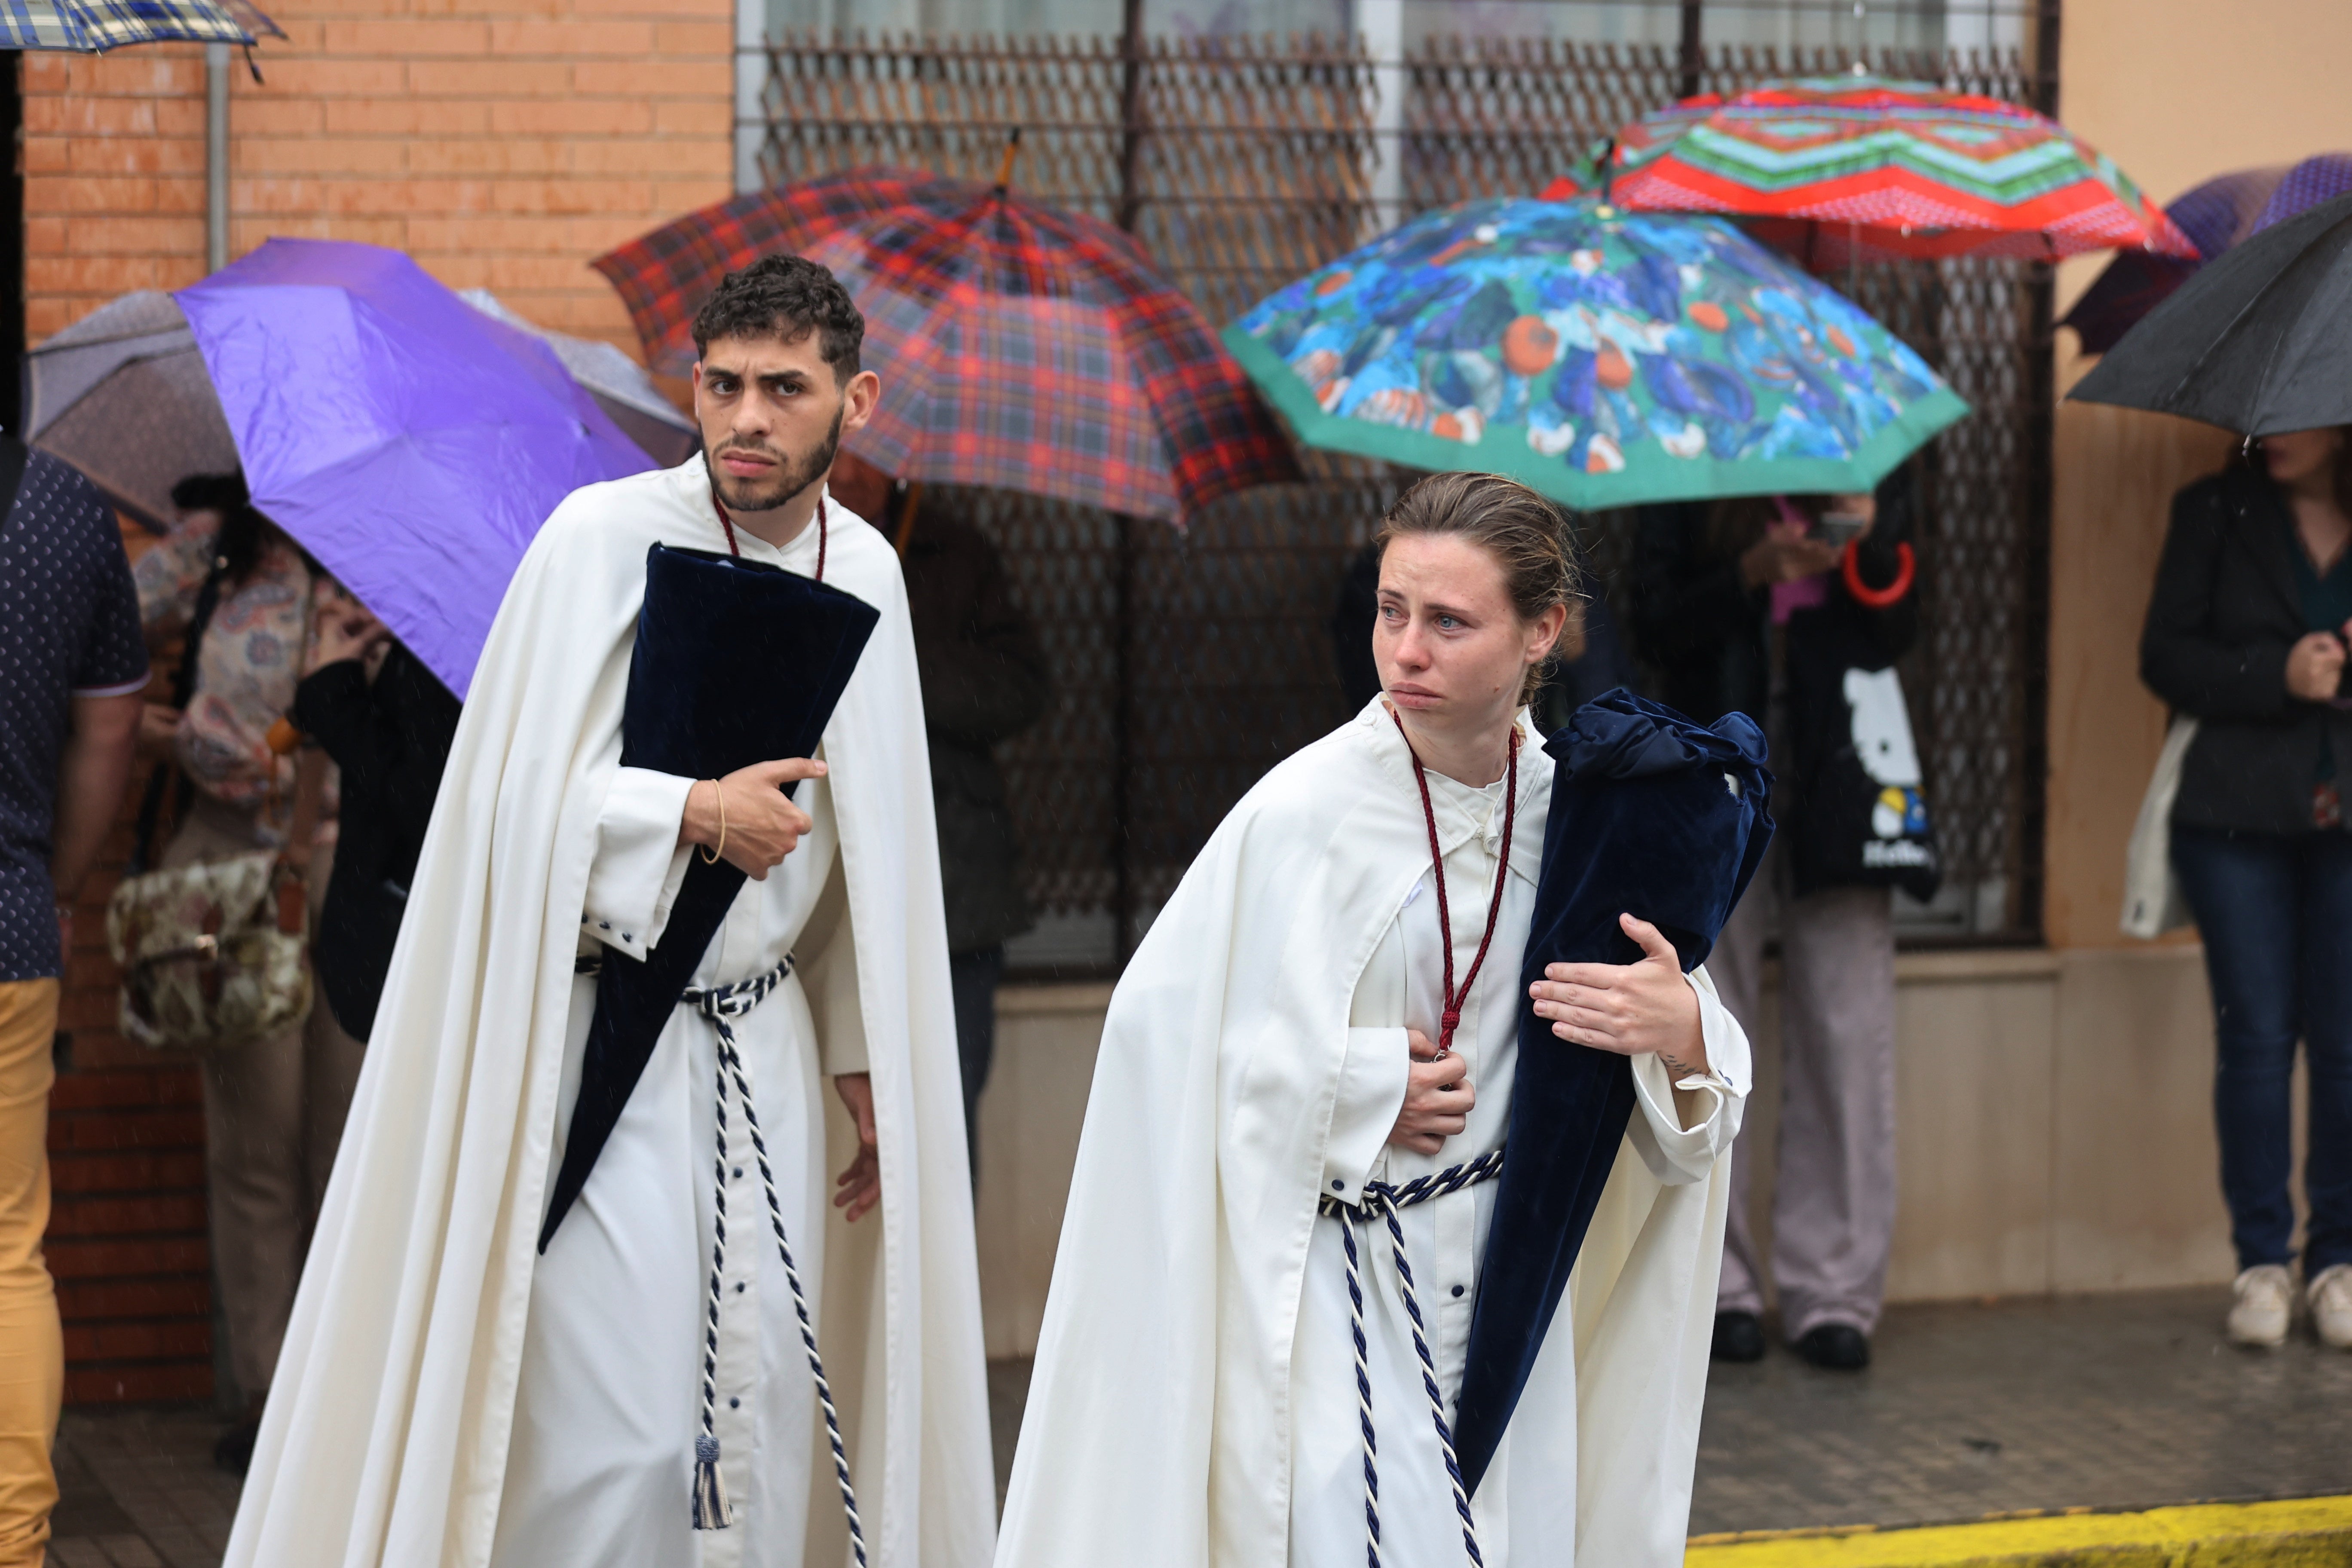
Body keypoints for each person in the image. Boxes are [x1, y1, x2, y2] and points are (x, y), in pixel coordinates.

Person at [223, 255, 995, 1568]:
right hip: (598, 1050)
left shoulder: (867, 569)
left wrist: (864, 1050)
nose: (748, 417)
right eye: (724, 385)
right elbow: (499, 821)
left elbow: (882, 851)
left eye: (785, 389)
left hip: (766, 1055)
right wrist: (689, 815)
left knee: (748, 1422)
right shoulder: (599, 541)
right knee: (617, 1442)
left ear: (853, 400)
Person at [996, 472, 1749, 1568]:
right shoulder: (1301, 811)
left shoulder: (1584, 821)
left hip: (1509, 1300)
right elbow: (1158, 1050)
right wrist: (1347, 1083)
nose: (1404, 651)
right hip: (1340, 1296)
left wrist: (1679, 1027)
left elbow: (1696, 1094)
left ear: (1542, 632)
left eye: (1449, 622)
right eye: (1391, 611)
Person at [1626, 474, 1920, 1372]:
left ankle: (1834, 1289)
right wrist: (1749, 571)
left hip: (1844, 767)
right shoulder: (1685, 462)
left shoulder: (1867, 458)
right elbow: (1655, 623)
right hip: (1713, 764)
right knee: (1711, 1022)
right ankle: (1718, 1286)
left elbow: (1901, 631)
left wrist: (1867, 543)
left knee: (1847, 1025)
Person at [132, 471, 364, 1468]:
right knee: (254, 1143)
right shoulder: (218, 549)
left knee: (350, 1142)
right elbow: (94, 631)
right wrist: (156, 728)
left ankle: (352, 1390)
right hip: (226, 874)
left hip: (356, 874)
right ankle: (269, 1400)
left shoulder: (381, 565)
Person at [2141, 428, 2352, 1352]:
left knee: (2347, 1044)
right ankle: (2262, 1263)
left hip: (2346, 821)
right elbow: (2165, 658)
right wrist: (2279, 674)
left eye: (2307, 414)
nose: (2280, 434)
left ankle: (2339, 1262)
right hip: (2232, 820)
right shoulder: (2213, 511)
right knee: (2258, 1038)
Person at [0, 441, 147, 1567]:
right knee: (6, 1251)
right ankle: (14, 1539)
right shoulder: (59, 505)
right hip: (7, 924)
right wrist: (51, 886)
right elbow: (108, 733)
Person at [896, 490, 1048, 1171]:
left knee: (946, 1111)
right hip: (830, 875)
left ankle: (947, 1280)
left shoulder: (954, 551)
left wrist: (909, 662)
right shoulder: (788, 545)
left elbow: (1020, 692)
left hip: (957, 884)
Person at [288, 585, 463, 1042]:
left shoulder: (463, 639)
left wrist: (334, 691)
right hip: (426, 934)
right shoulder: (466, 624)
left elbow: (424, 799)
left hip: (419, 930)